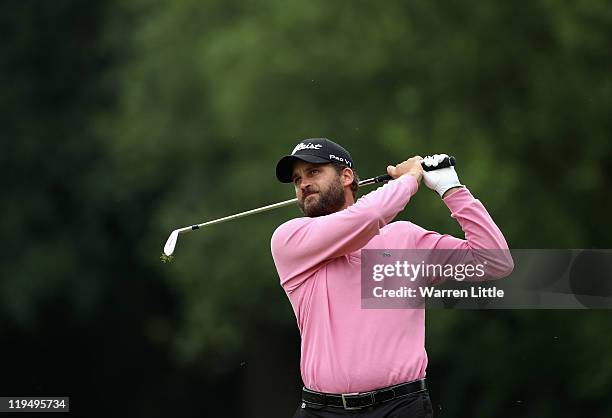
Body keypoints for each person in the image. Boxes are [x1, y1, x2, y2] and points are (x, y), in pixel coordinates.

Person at [270, 138, 513, 417]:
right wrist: (410, 178)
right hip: (321, 411)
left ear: (346, 176)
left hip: (400, 408)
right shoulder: (290, 239)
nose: (303, 184)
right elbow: (369, 215)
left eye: (314, 172)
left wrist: (452, 189)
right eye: (297, 179)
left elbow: (494, 261)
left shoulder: (404, 239)